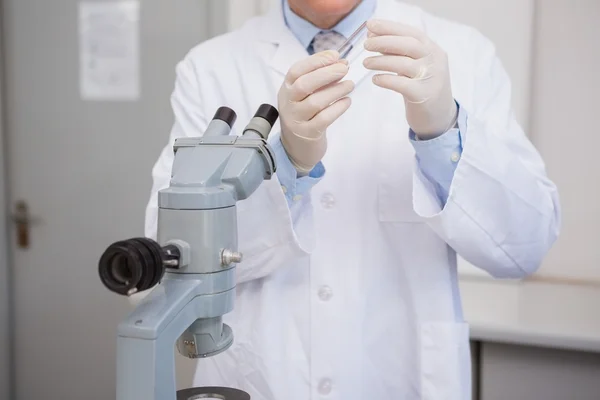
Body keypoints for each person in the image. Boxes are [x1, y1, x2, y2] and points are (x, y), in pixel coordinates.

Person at [144, 0, 561, 398]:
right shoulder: (210, 66)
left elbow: (523, 247)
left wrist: (444, 132)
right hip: (262, 376)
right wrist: (285, 165)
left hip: (399, 375)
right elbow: (173, 263)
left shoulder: (464, 51)